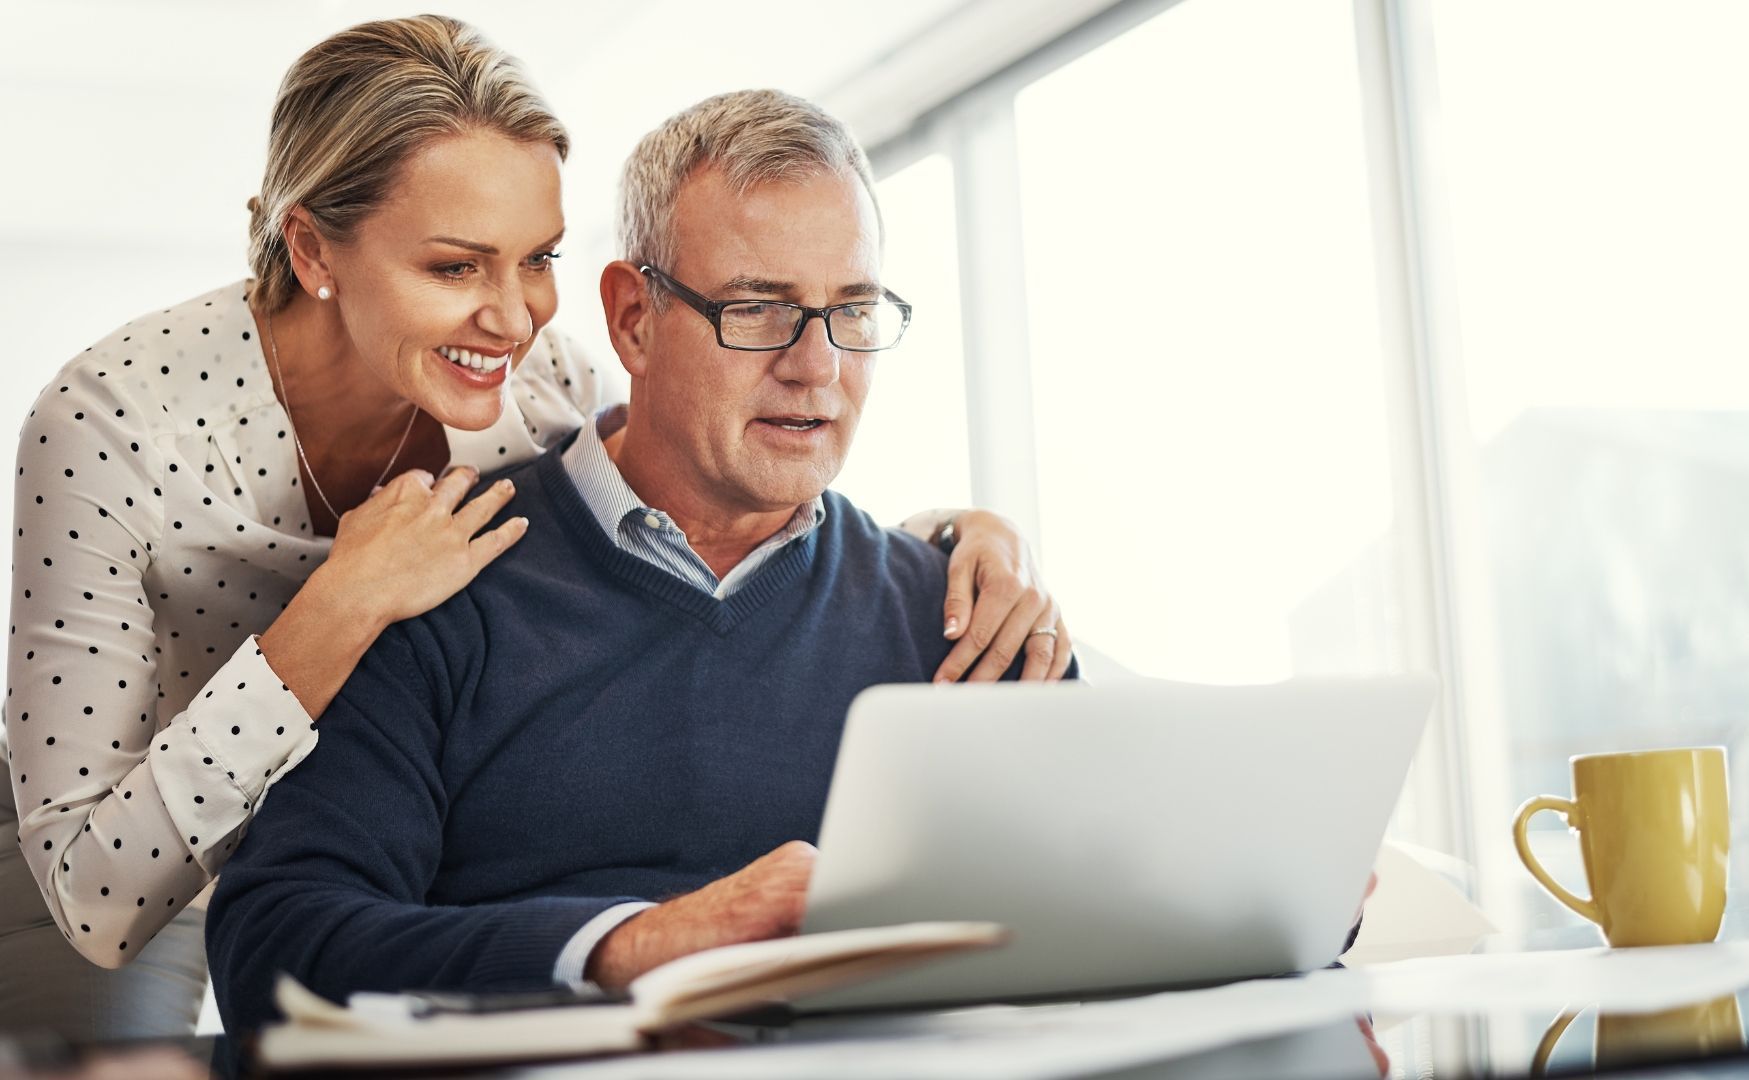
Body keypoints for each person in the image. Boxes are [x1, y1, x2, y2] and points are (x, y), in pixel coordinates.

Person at [2, 17, 1069, 1043]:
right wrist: (345, 604)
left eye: (537, 259)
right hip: (108, 853)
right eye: (456, 265)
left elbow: (695, 469)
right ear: (314, 251)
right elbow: (116, 901)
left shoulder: (536, 379)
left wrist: (947, 544)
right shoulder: (116, 427)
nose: (514, 316)